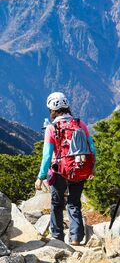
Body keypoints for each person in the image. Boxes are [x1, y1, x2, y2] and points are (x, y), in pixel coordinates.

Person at [35, 92, 96, 246]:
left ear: (52, 110)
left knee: (56, 203)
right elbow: (92, 148)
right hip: (79, 167)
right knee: (74, 203)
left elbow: (47, 155)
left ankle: (57, 237)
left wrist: (41, 176)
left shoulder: (51, 128)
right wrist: (92, 168)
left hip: (59, 171)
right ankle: (76, 237)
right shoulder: (80, 124)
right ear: (67, 107)